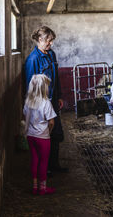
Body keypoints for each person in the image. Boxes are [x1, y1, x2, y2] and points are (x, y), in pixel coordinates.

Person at [24, 26, 69, 175]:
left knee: (56, 133)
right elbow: (30, 86)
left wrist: (59, 96)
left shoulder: (51, 55)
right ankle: (44, 168)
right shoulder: (33, 59)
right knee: (43, 135)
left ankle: (54, 165)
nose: (51, 44)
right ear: (40, 40)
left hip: (53, 100)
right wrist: (36, 107)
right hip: (41, 103)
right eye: (48, 41)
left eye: (51, 41)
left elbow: (56, 78)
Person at [23, 74, 56, 195]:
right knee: (43, 161)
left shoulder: (28, 102)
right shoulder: (46, 102)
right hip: (43, 136)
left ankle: (34, 186)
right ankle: (43, 188)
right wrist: (49, 131)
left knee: (34, 160)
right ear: (44, 88)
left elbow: (25, 116)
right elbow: (51, 122)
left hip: (31, 136)